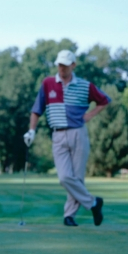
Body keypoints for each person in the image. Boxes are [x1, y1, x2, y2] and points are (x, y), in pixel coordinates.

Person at [23, 50, 110, 227]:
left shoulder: (85, 86)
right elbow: (36, 109)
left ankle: (69, 216)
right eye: (59, 65)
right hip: (58, 134)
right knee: (64, 177)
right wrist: (31, 131)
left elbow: (104, 100)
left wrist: (90, 115)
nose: (61, 68)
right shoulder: (48, 83)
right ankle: (94, 203)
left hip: (78, 133)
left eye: (65, 65)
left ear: (73, 65)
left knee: (77, 178)